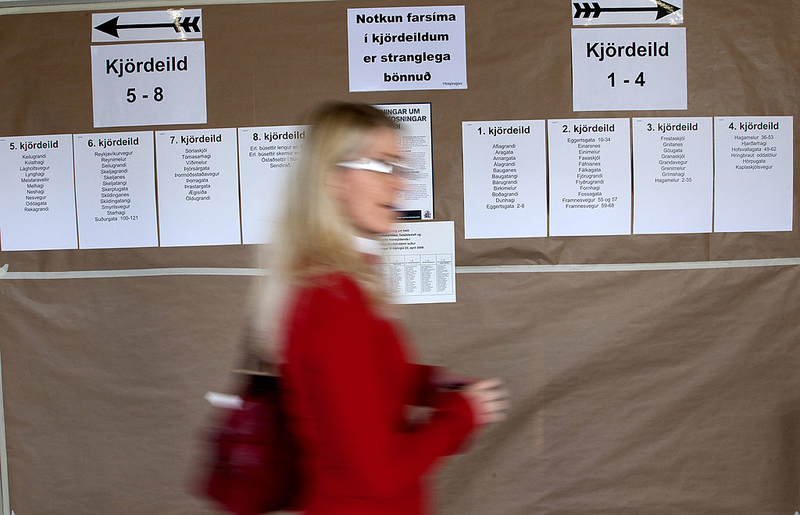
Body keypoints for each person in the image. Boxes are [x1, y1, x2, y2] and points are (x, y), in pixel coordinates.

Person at [254, 102, 508, 515]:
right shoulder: (335, 302)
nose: (399, 185)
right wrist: (461, 416)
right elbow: (381, 477)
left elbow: (373, 379)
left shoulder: (336, 284)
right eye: (381, 165)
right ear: (333, 178)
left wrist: (436, 386)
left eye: (400, 168)